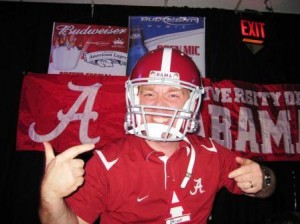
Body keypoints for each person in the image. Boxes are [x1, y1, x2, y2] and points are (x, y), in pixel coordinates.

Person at [39, 47, 276, 224]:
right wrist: (51, 197)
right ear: (134, 97)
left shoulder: (212, 154)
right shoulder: (106, 164)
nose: (159, 105)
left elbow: (266, 188)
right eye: (149, 93)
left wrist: (262, 178)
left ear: (192, 102)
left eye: (173, 95)